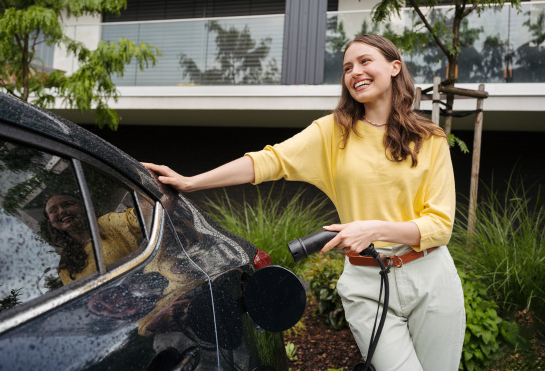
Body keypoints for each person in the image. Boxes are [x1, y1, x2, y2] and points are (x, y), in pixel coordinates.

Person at [142, 34, 465, 371]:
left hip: (430, 277)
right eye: (347, 68)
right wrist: (191, 182)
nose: (355, 72)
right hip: (368, 283)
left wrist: (374, 229)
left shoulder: (430, 139)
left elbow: (440, 226)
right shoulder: (333, 133)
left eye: (365, 61)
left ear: (394, 67)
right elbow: (268, 161)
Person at [43, 193, 142, 284]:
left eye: (67, 204)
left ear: (82, 206)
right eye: (53, 210)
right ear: (51, 223)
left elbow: (141, 216)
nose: (61, 211)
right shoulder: (65, 267)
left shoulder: (107, 224)